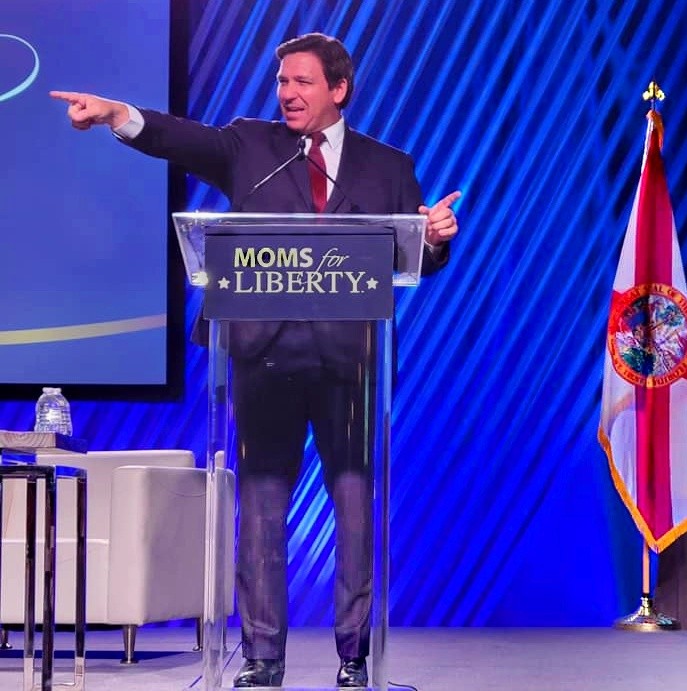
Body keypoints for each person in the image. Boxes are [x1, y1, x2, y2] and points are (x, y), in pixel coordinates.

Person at [51, 32, 459, 689]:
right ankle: (262, 657)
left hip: (349, 364)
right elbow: (177, 138)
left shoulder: (389, 166)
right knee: (262, 511)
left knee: (355, 512)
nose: (287, 94)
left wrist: (433, 239)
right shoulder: (250, 147)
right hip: (263, 357)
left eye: (302, 82)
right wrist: (116, 114)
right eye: (282, 82)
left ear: (339, 89)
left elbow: (413, 255)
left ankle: (356, 658)